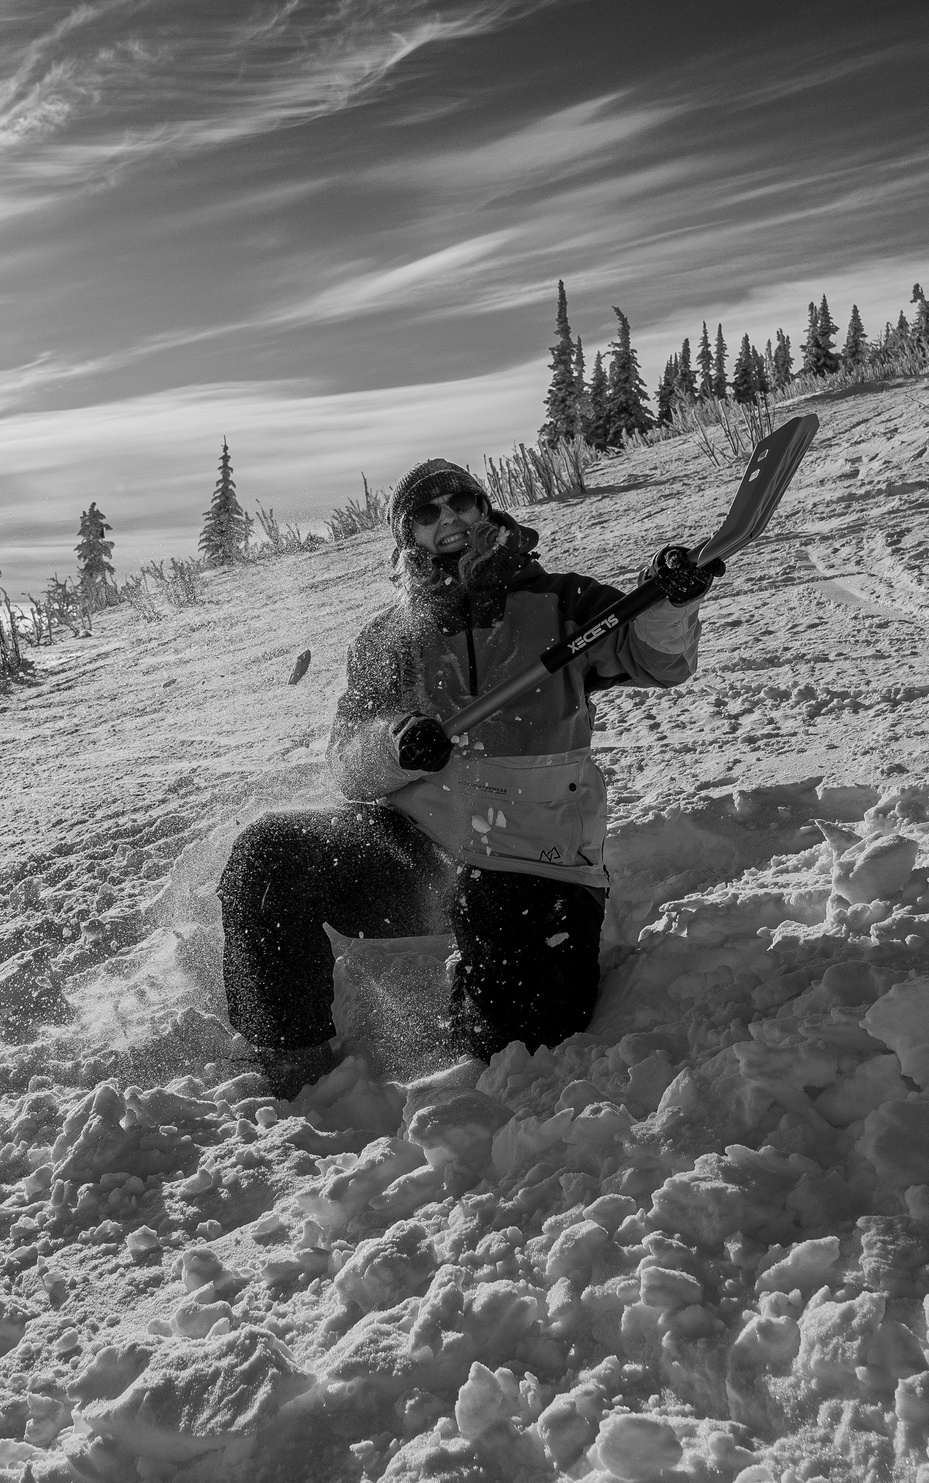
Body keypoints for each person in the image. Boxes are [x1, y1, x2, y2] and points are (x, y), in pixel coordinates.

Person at [217, 456, 718, 1098]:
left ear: (485, 508)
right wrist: (397, 746)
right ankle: (291, 1064)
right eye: (426, 513)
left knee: (522, 1044)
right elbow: (345, 761)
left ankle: (479, 1008)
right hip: (424, 849)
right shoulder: (389, 638)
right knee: (268, 856)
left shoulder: (561, 602)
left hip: (536, 856)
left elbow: (658, 659)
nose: (448, 518)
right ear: (408, 536)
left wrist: (669, 604)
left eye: (460, 501)